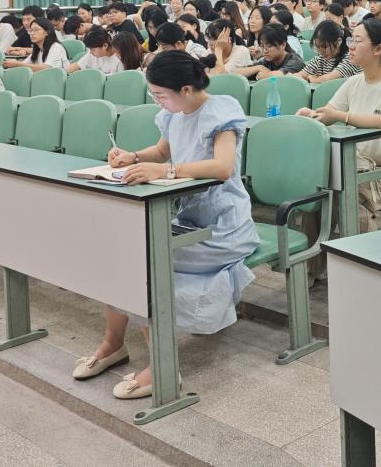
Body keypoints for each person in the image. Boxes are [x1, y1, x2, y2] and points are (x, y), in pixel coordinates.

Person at [79, 51, 257, 399]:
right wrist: (133, 157)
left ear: (186, 89)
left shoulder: (221, 112)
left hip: (223, 227)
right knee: (119, 253)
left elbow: (222, 167)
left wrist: (166, 171)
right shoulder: (175, 114)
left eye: (160, 95)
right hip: (189, 219)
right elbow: (162, 151)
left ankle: (162, 367)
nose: (157, 101)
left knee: (141, 264)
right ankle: (113, 344)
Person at [300, 19, 381, 232]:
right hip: (362, 166)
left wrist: (342, 116)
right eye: (351, 40)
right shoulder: (354, 82)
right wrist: (310, 116)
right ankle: (315, 254)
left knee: (349, 189)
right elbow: (329, 113)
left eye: (358, 41)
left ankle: (364, 252)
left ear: (378, 49)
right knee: (319, 188)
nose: (351, 46)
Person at [294, 20, 362, 82]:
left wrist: (312, 79)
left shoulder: (350, 58)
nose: (321, 51)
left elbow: (329, 79)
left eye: (325, 47)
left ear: (338, 42)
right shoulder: (320, 59)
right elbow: (301, 74)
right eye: (318, 46)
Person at [237, 25, 304, 79]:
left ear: (283, 45)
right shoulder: (267, 61)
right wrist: (259, 68)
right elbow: (237, 73)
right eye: (262, 46)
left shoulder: (295, 60)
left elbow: (279, 76)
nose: (264, 51)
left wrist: (261, 76)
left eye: (269, 46)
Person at [4, 18, 69, 71]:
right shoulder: (38, 50)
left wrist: (18, 64)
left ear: (47, 32)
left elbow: (47, 68)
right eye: (31, 30)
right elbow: (24, 65)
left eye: (36, 30)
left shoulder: (56, 47)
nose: (32, 33)